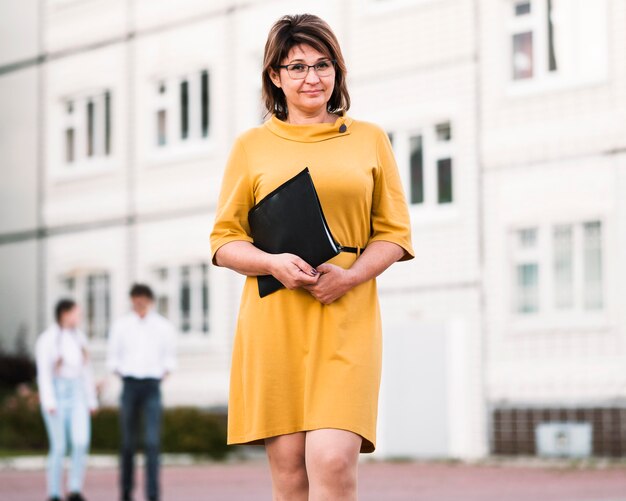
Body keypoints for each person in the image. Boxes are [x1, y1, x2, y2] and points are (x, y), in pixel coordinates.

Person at [209, 13, 415, 501]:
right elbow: (224, 241)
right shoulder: (251, 146)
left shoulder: (369, 139)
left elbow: (394, 234)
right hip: (276, 321)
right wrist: (272, 262)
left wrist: (350, 276)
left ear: (337, 72)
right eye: (297, 67)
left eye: (323, 65)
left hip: (346, 316)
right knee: (290, 475)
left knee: (332, 461)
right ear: (275, 76)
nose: (312, 78)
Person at [106, 284, 176, 501]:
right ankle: (126, 492)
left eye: (143, 298)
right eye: (135, 297)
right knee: (128, 443)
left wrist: (162, 373)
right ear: (131, 299)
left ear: (149, 299)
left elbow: (170, 357)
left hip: (152, 387)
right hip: (129, 385)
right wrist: (123, 373)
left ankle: (153, 494)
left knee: (152, 443)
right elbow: (113, 357)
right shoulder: (121, 326)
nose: (139, 301)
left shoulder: (163, 326)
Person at [36, 298, 98, 501]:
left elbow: (86, 370)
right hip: (57, 393)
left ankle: (74, 489)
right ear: (64, 313)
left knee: (81, 441)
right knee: (59, 446)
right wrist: (49, 401)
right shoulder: (48, 339)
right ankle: (54, 492)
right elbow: (44, 373)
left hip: (77, 393)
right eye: (76, 313)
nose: (79, 317)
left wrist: (91, 399)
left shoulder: (80, 338)